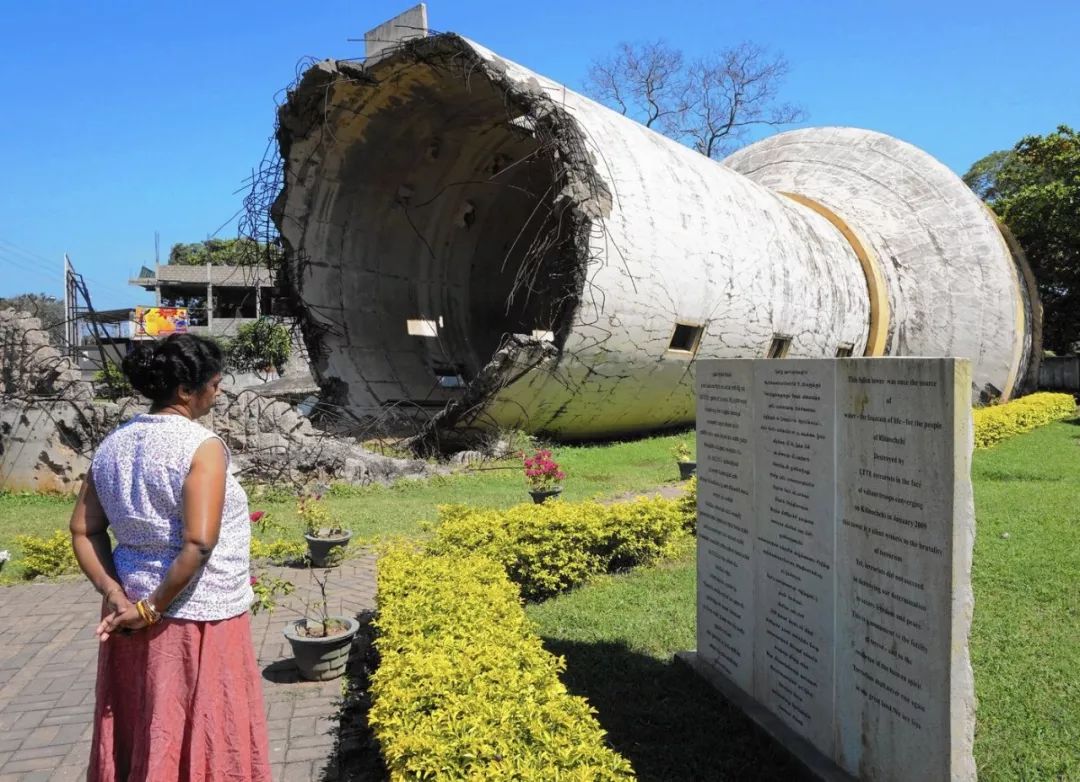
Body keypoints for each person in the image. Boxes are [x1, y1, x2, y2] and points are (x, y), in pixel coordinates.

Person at [69, 333, 270, 781]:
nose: (218, 393)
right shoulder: (201, 446)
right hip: (196, 617)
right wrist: (152, 608)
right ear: (185, 390)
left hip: (127, 615)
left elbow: (84, 529)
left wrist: (118, 597)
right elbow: (198, 543)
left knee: (147, 724)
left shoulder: (115, 443)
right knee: (205, 729)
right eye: (215, 384)